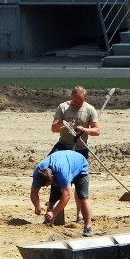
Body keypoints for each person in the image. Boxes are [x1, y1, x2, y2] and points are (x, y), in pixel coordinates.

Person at [49, 86, 101, 222]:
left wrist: (84, 129)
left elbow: (97, 130)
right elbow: (54, 128)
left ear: (85, 99)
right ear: (71, 97)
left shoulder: (89, 109)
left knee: (79, 182)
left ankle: (80, 214)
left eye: (80, 102)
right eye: (75, 101)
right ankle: (53, 210)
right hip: (63, 147)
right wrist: (64, 126)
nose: (77, 104)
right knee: (53, 174)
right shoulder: (63, 107)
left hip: (80, 149)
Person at [30, 150, 93, 237]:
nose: (46, 187)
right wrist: (37, 206)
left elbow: (67, 195)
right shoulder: (38, 173)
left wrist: (54, 213)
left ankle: (88, 227)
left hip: (80, 166)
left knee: (82, 197)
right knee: (53, 197)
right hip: (62, 166)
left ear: (52, 177)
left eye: (47, 184)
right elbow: (34, 192)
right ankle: (49, 220)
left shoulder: (62, 173)